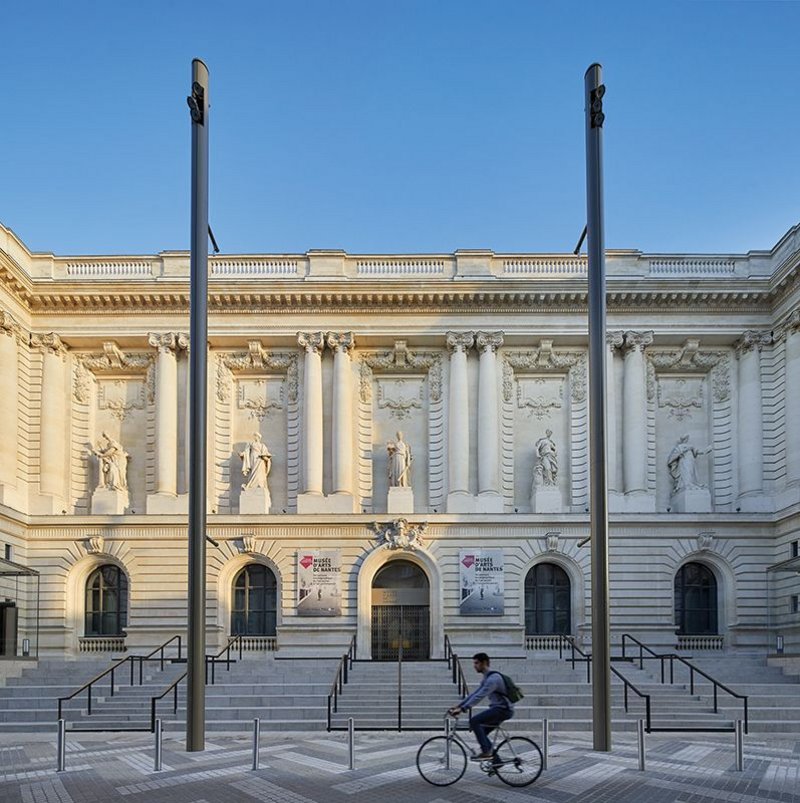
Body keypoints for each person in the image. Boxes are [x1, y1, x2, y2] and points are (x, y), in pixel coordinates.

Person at [448, 652, 513, 761]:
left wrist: (463, 708)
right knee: (482, 732)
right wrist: (458, 706)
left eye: (477, 663)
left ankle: (487, 752)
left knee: (474, 721)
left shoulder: (493, 680)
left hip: (503, 709)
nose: (474, 666)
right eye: (474, 663)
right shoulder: (487, 678)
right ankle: (496, 761)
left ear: (484, 663)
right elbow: (474, 694)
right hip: (498, 709)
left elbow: (479, 696)